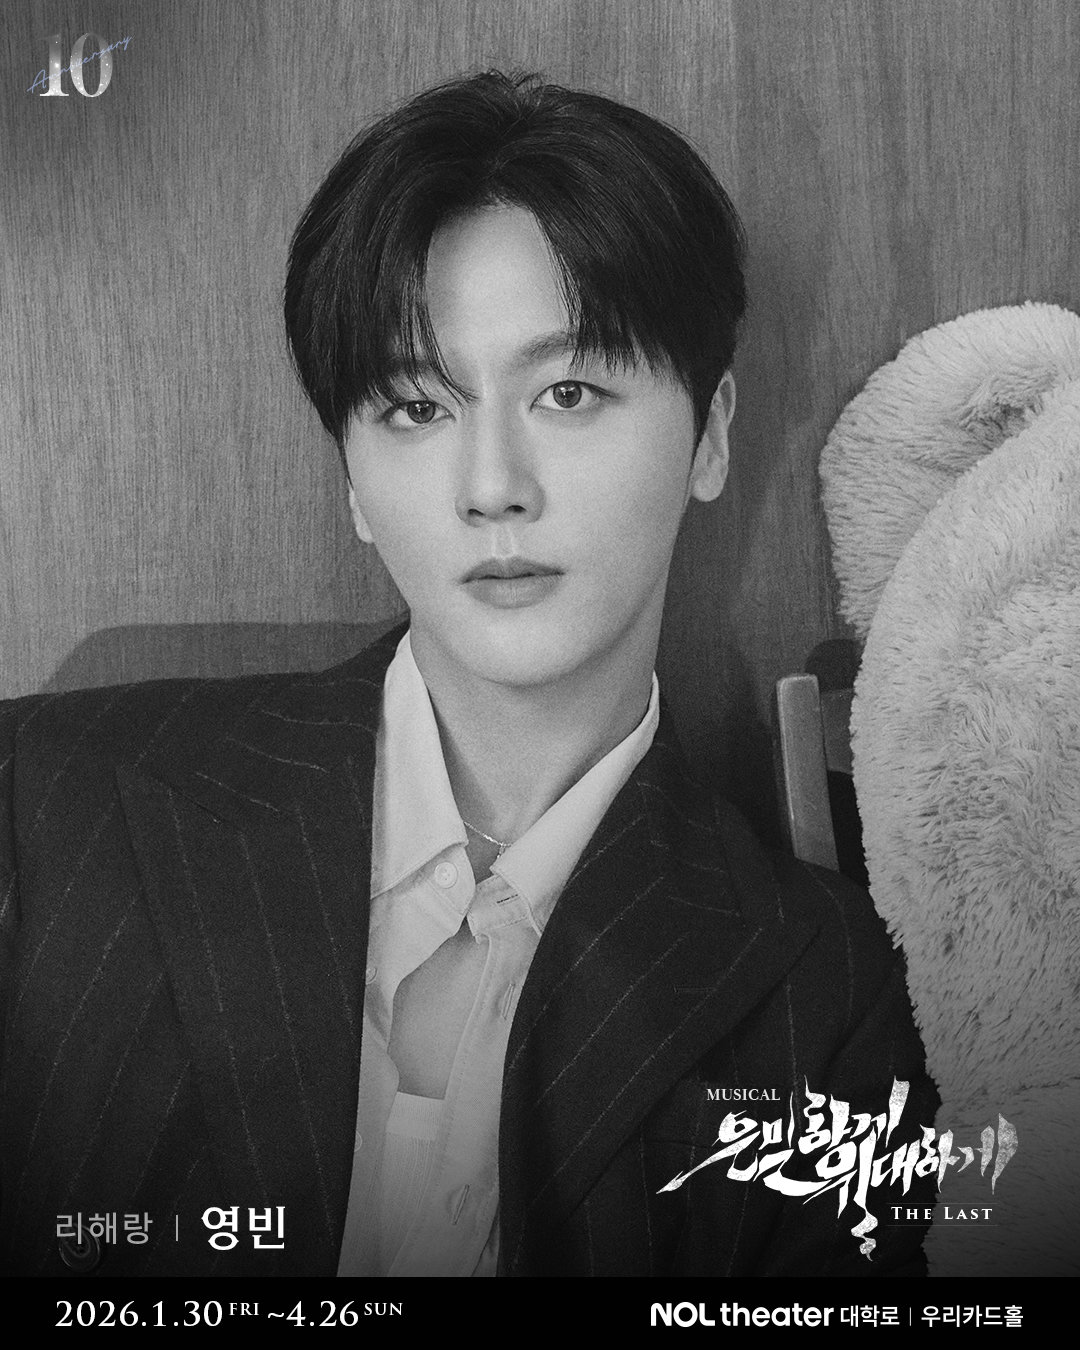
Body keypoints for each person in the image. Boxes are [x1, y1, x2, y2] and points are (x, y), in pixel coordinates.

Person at [0, 71, 938, 1278]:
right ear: (351, 477)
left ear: (709, 434)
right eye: (414, 407)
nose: (493, 486)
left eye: (569, 392)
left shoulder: (827, 989)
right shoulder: (43, 800)